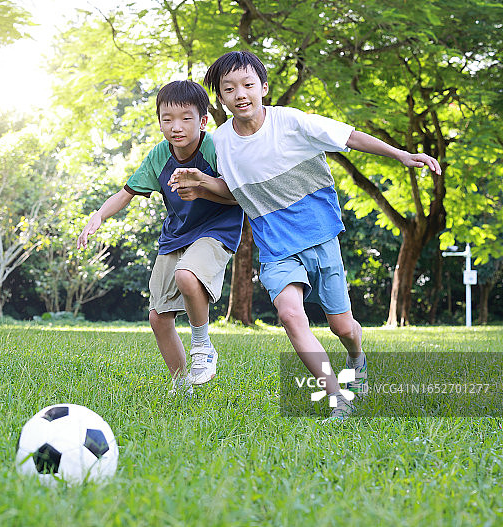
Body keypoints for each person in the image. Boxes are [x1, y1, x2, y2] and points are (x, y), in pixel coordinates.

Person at [168, 51, 441, 420]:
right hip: (276, 248)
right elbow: (237, 192)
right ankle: (336, 396)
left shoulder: (291, 122)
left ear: (263, 87)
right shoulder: (221, 143)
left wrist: (401, 154)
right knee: (290, 315)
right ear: (220, 97)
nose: (240, 94)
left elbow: (351, 137)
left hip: (320, 237)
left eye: (248, 84)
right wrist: (202, 185)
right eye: (229, 88)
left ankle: (357, 356)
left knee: (343, 326)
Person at [77, 80, 244, 395]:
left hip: (215, 229)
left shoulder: (216, 148)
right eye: (167, 119)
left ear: (203, 120)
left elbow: (238, 194)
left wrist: (201, 183)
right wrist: (99, 215)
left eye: (185, 118)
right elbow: (126, 193)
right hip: (177, 234)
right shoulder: (159, 156)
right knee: (158, 317)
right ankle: (182, 385)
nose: (176, 127)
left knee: (187, 275)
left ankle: (202, 346)